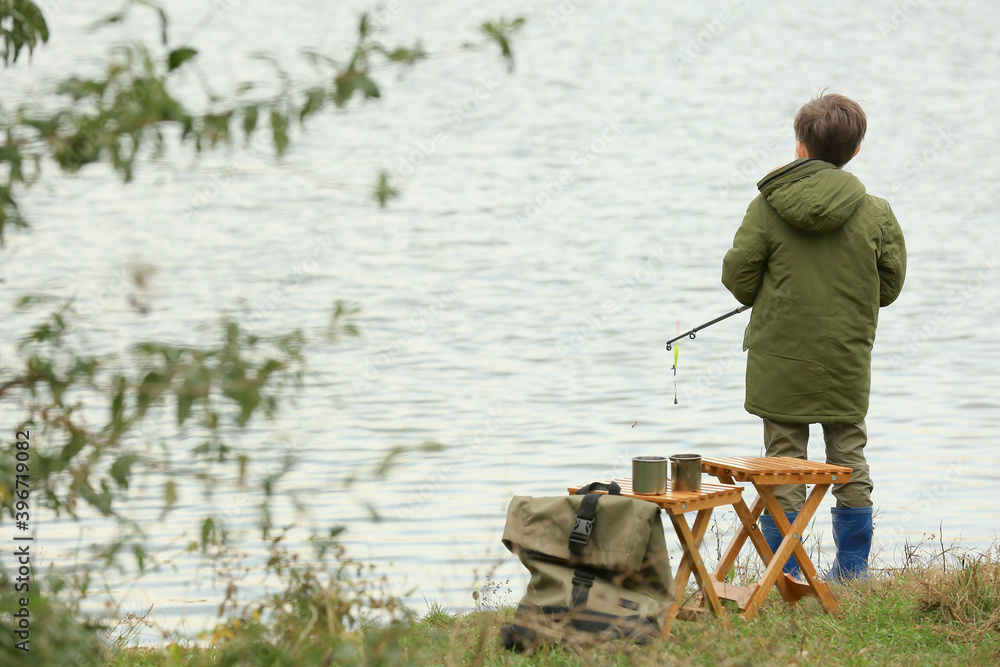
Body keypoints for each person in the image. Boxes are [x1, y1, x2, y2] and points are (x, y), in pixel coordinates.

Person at [721, 93, 906, 580]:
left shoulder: (767, 206)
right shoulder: (877, 212)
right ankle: (851, 572)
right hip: (846, 356)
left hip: (780, 358)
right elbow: (888, 288)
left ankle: (786, 573)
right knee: (849, 458)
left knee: (782, 463)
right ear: (857, 150)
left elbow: (738, 280)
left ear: (799, 146)